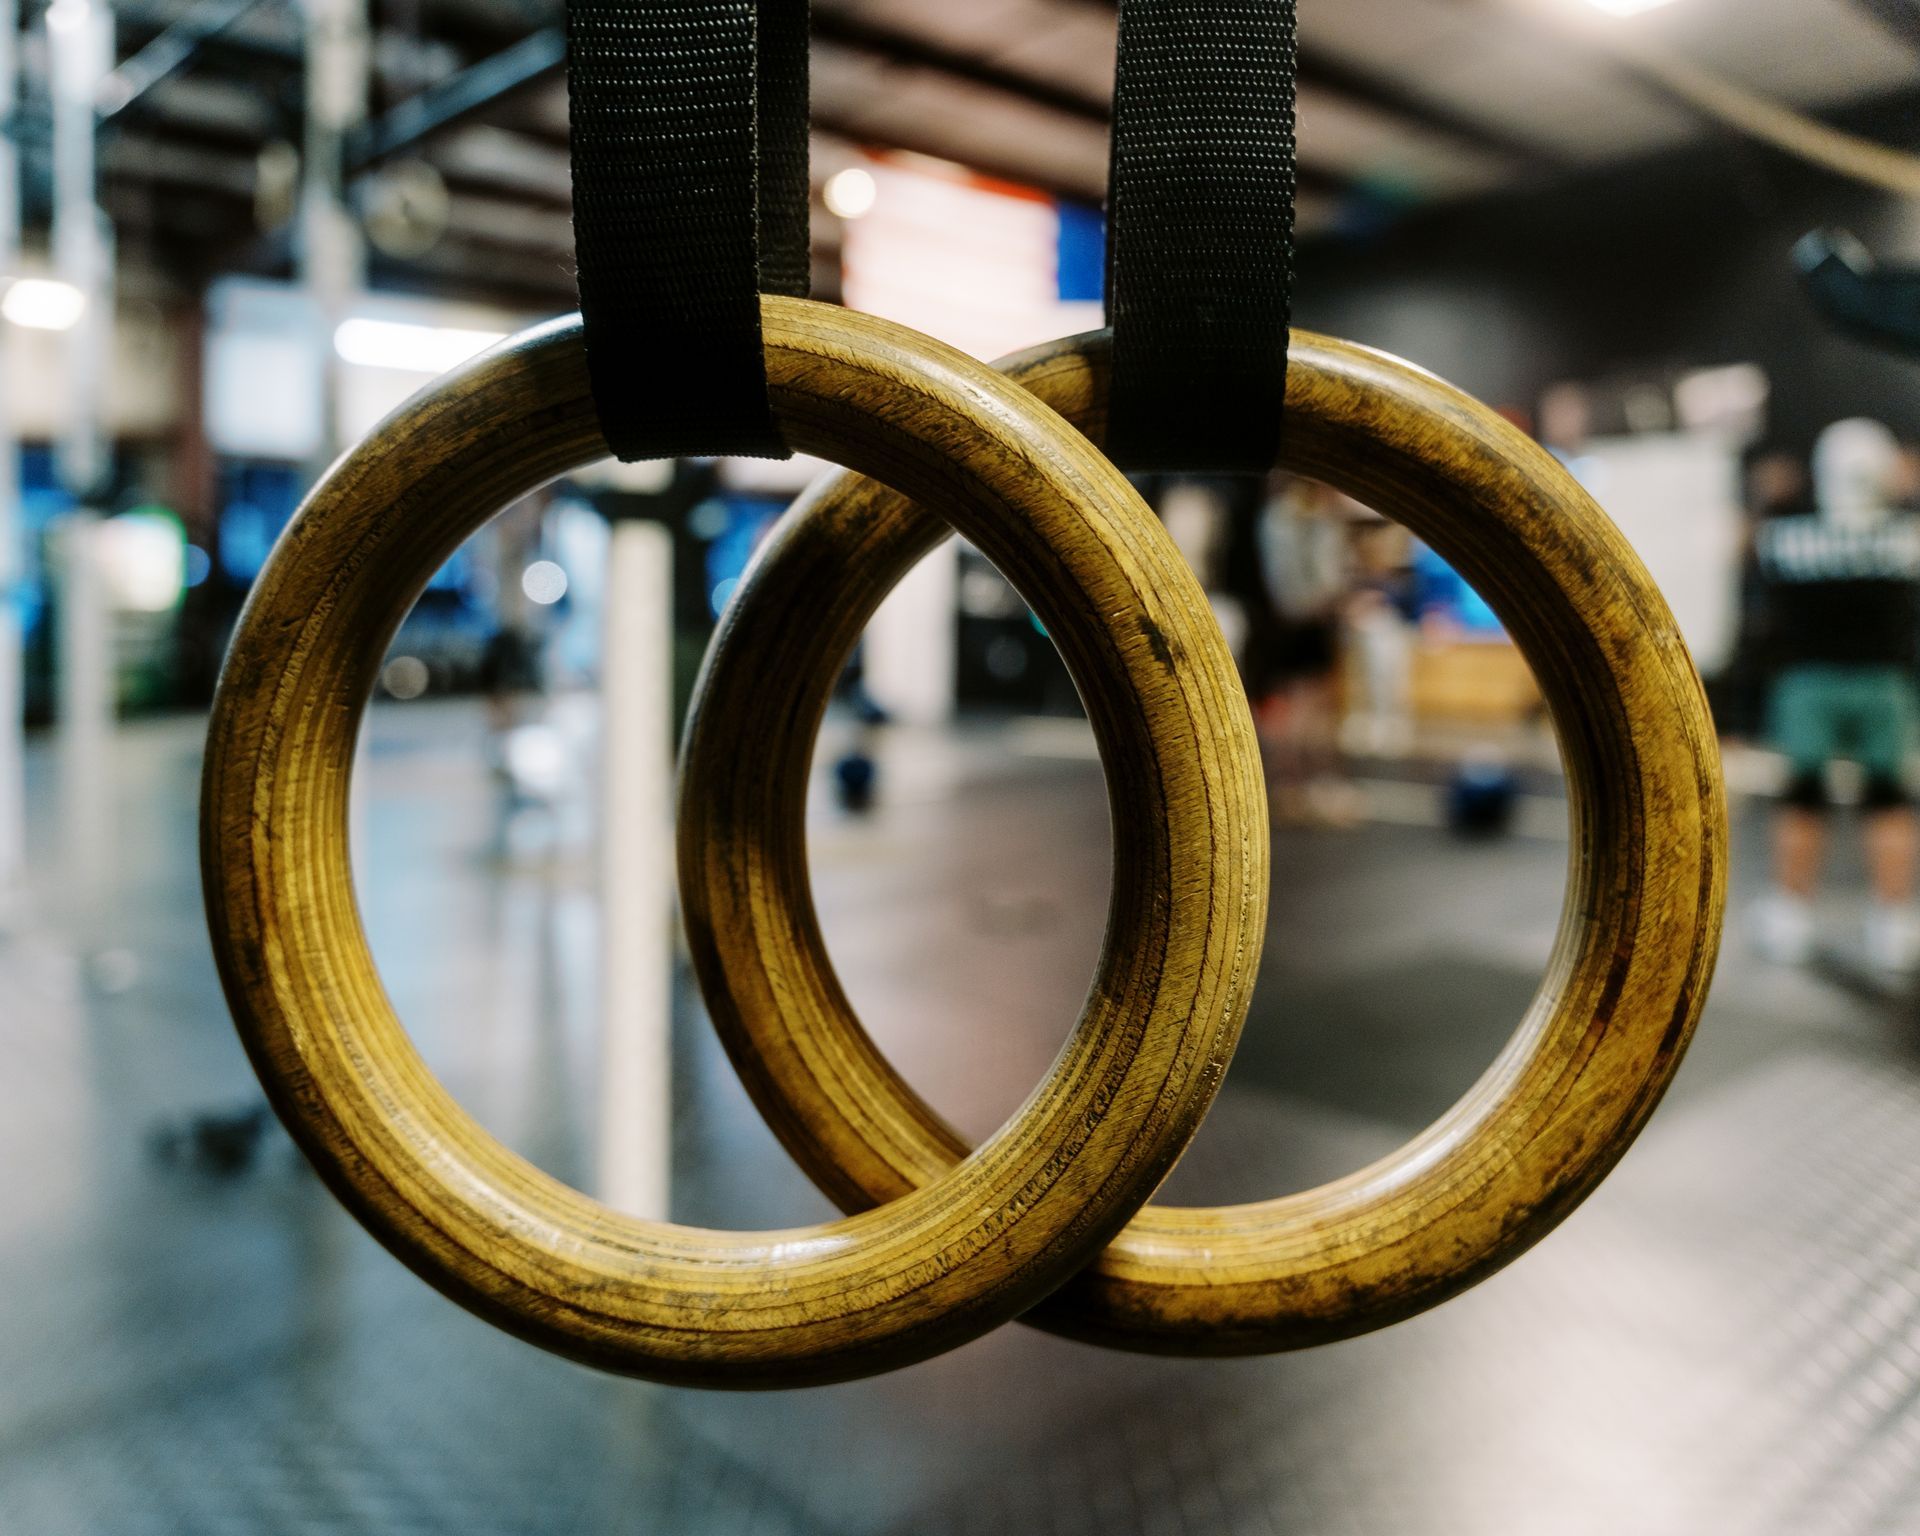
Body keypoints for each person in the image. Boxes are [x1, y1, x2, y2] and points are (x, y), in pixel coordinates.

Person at [1751, 418, 1920, 971]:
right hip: (1882, 681)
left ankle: (1791, 915)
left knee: (1803, 800)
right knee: (1886, 800)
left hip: (1810, 680)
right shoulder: (1905, 532)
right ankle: (1892, 923)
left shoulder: (1788, 532)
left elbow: (1764, 600)